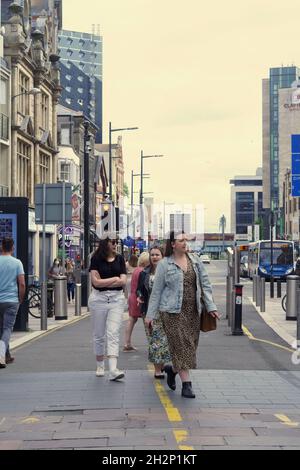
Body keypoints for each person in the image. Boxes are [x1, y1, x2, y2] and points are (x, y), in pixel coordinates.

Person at [145, 231, 220, 398]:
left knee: (190, 346)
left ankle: (172, 370)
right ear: (173, 244)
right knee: (180, 345)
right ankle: (187, 384)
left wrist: (211, 307)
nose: (185, 242)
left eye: (186, 239)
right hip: (171, 312)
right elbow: (156, 292)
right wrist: (150, 315)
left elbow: (205, 285)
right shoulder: (165, 264)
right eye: (181, 240)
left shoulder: (196, 261)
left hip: (192, 311)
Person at [88, 233, 127, 381]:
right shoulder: (96, 259)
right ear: (105, 243)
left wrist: (108, 281)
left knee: (113, 332)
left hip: (117, 299)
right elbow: (95, 282)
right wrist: (114, 279)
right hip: (99, 299)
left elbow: (123, 282)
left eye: (116, 241)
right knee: (99, 334)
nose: (115, 244)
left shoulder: (120, 258)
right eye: (112, 242)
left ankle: (113, 368)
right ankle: (100, 365)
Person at [137, 246, 171, 379]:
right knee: (154, 339)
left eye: (157, 254)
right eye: (152, 255)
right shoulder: (144, 273)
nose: (155, 257)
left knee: (164, 340)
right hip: (149, 311)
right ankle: (158, 369)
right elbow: (139, 289)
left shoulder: (169, 271)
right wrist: (139, 296)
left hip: (166, 310)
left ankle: (161, 365)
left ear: (162, 256)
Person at [0, 238, 26, 368]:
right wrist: (20, 298)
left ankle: (7, 355)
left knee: (1, 329)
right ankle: (1, 355)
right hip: (11, 300)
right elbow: (21, 283)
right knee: (7, 329)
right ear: (13, 248)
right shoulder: (17, 263)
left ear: (1, 247)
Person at [123, 252, 150, 352]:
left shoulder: (136, 270)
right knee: (146, 321)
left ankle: (127, 343)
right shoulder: (143, 271)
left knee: (131, 320)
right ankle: (152, 343)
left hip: (132, 297)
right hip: (139, 298)